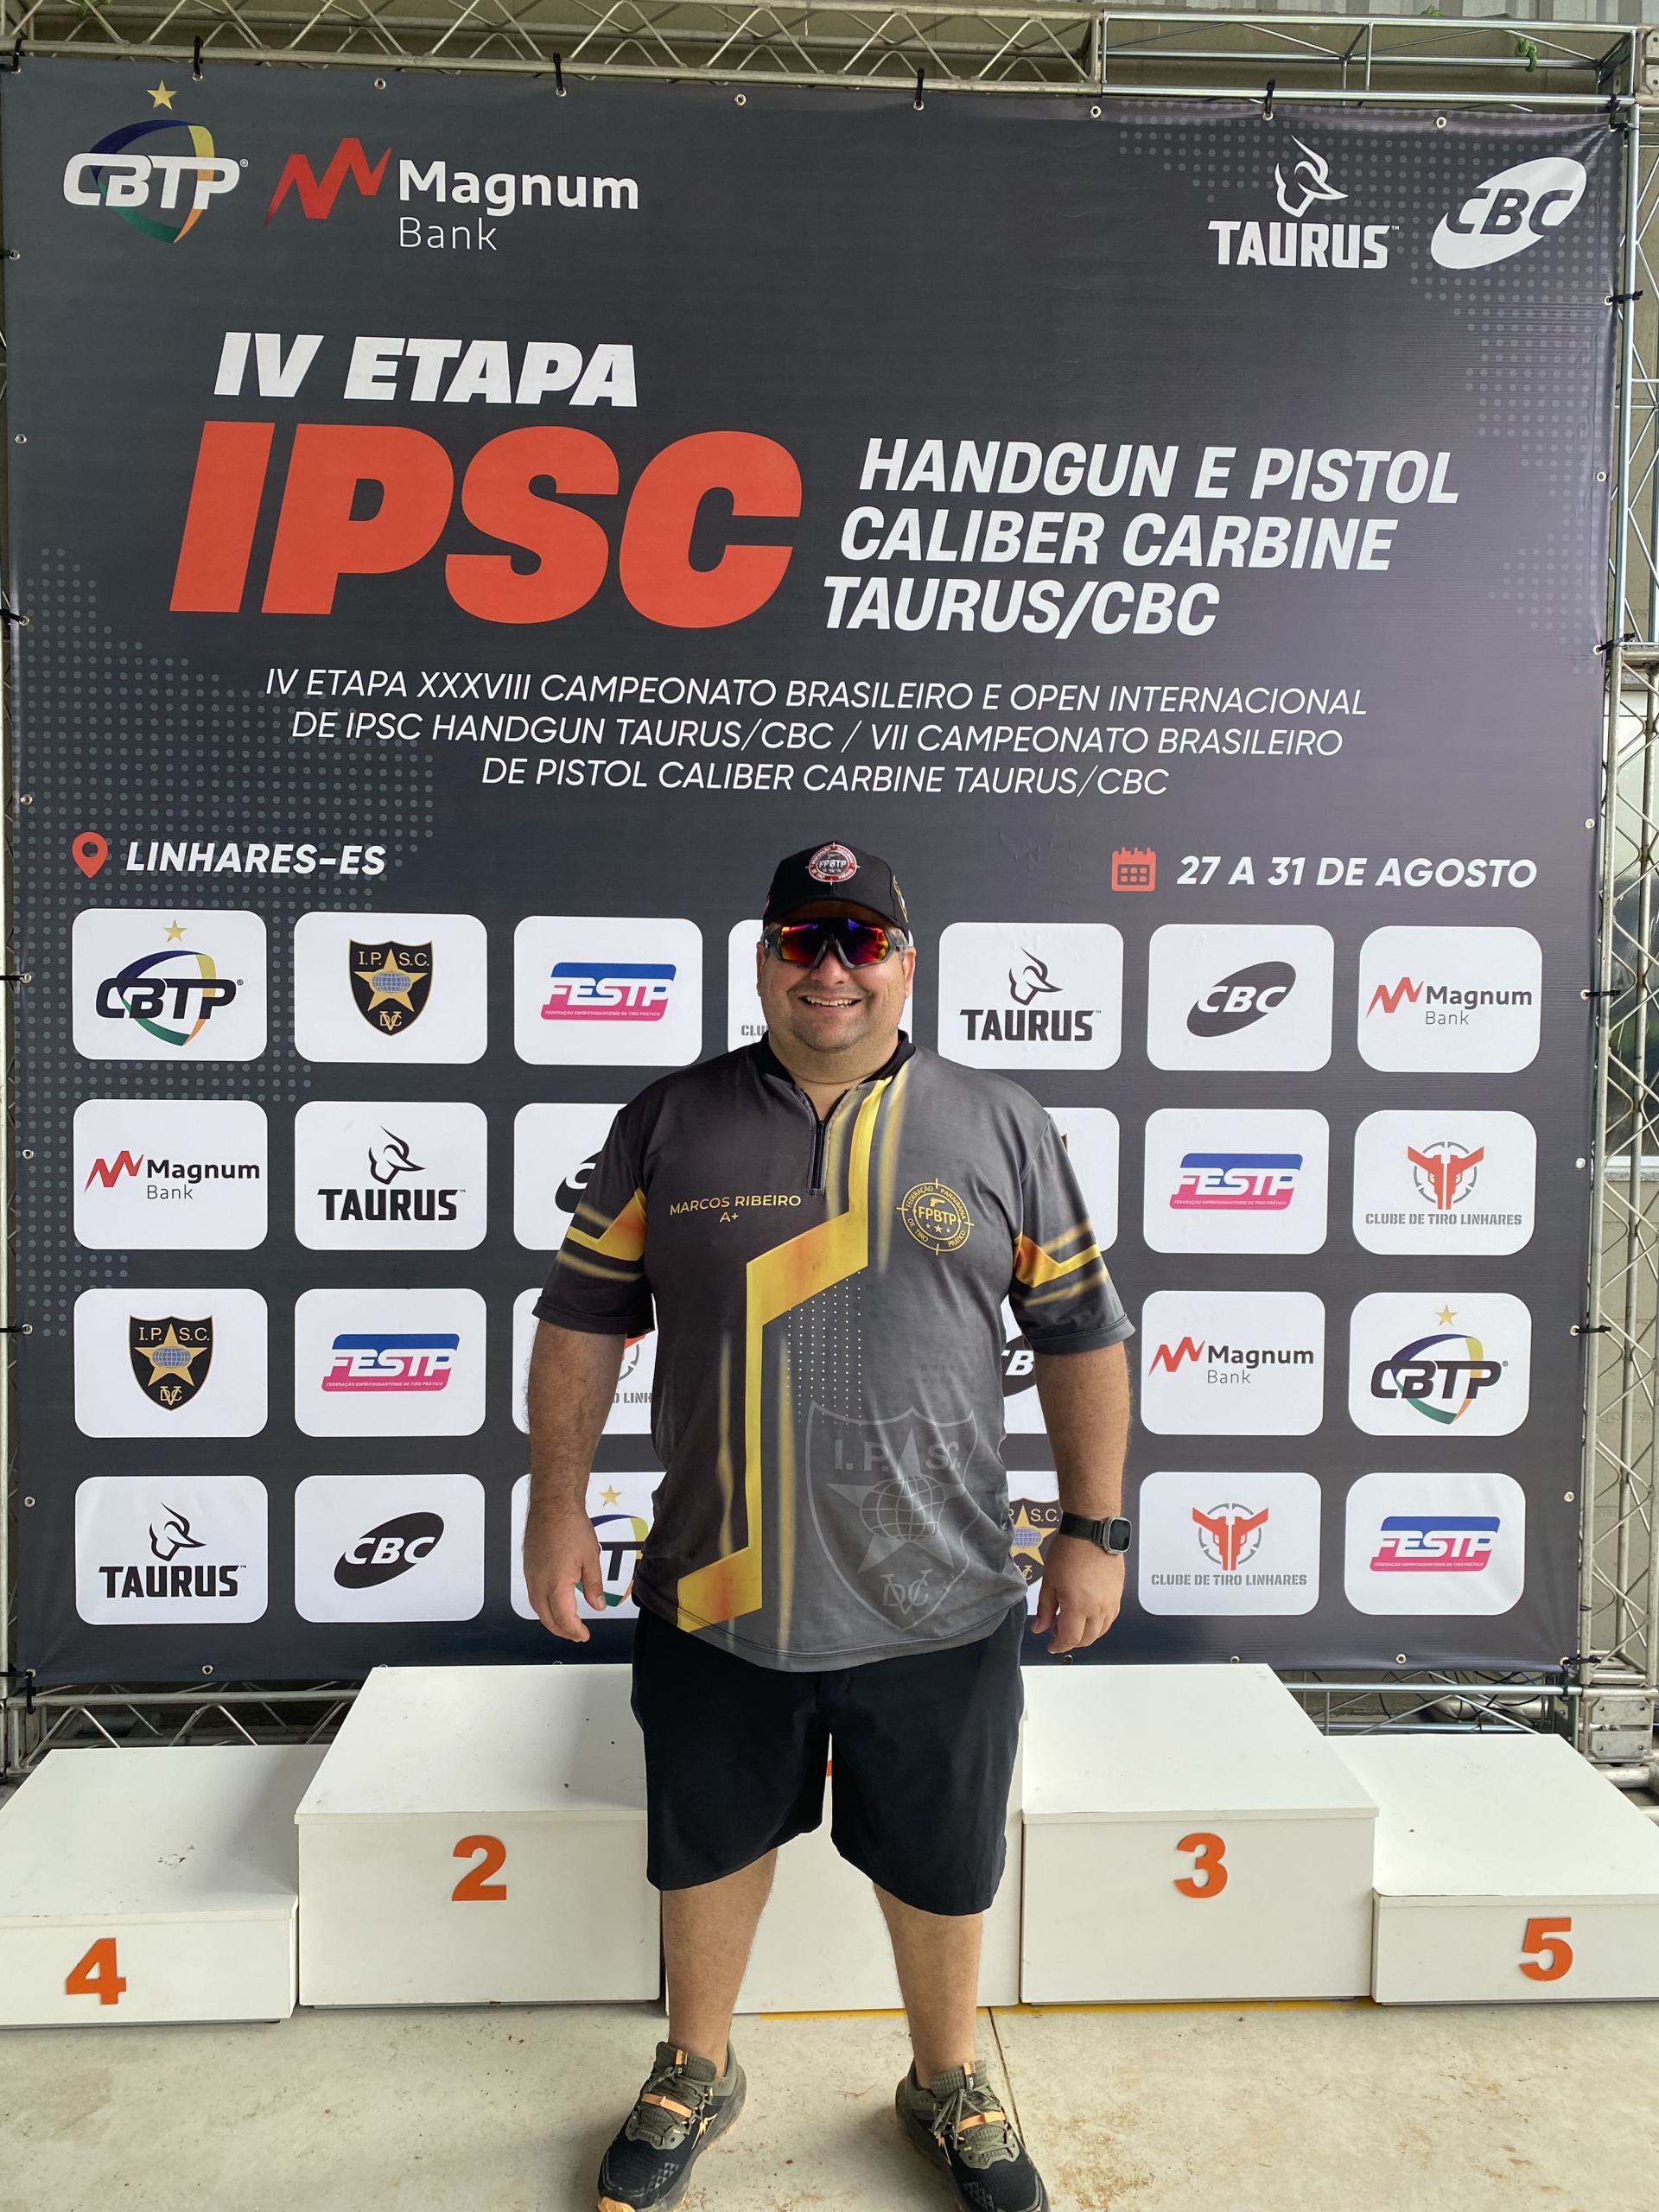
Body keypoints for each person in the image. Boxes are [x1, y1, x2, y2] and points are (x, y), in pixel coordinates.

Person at [523, 840, 1133, 2212]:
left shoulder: (1001, 1123)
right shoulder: (668, 1120)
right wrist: (556, 1505)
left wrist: (1094, 1527)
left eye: (862, 941)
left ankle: (946, 2080)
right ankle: (695, 2067)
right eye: (804, 940)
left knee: (943, 1857)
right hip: (717, 1584)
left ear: (907, 963)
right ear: (764, 960)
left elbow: (1081, 1333)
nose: (832, 970)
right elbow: (583, 1322)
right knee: (709, 1843)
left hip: (940, 1588)